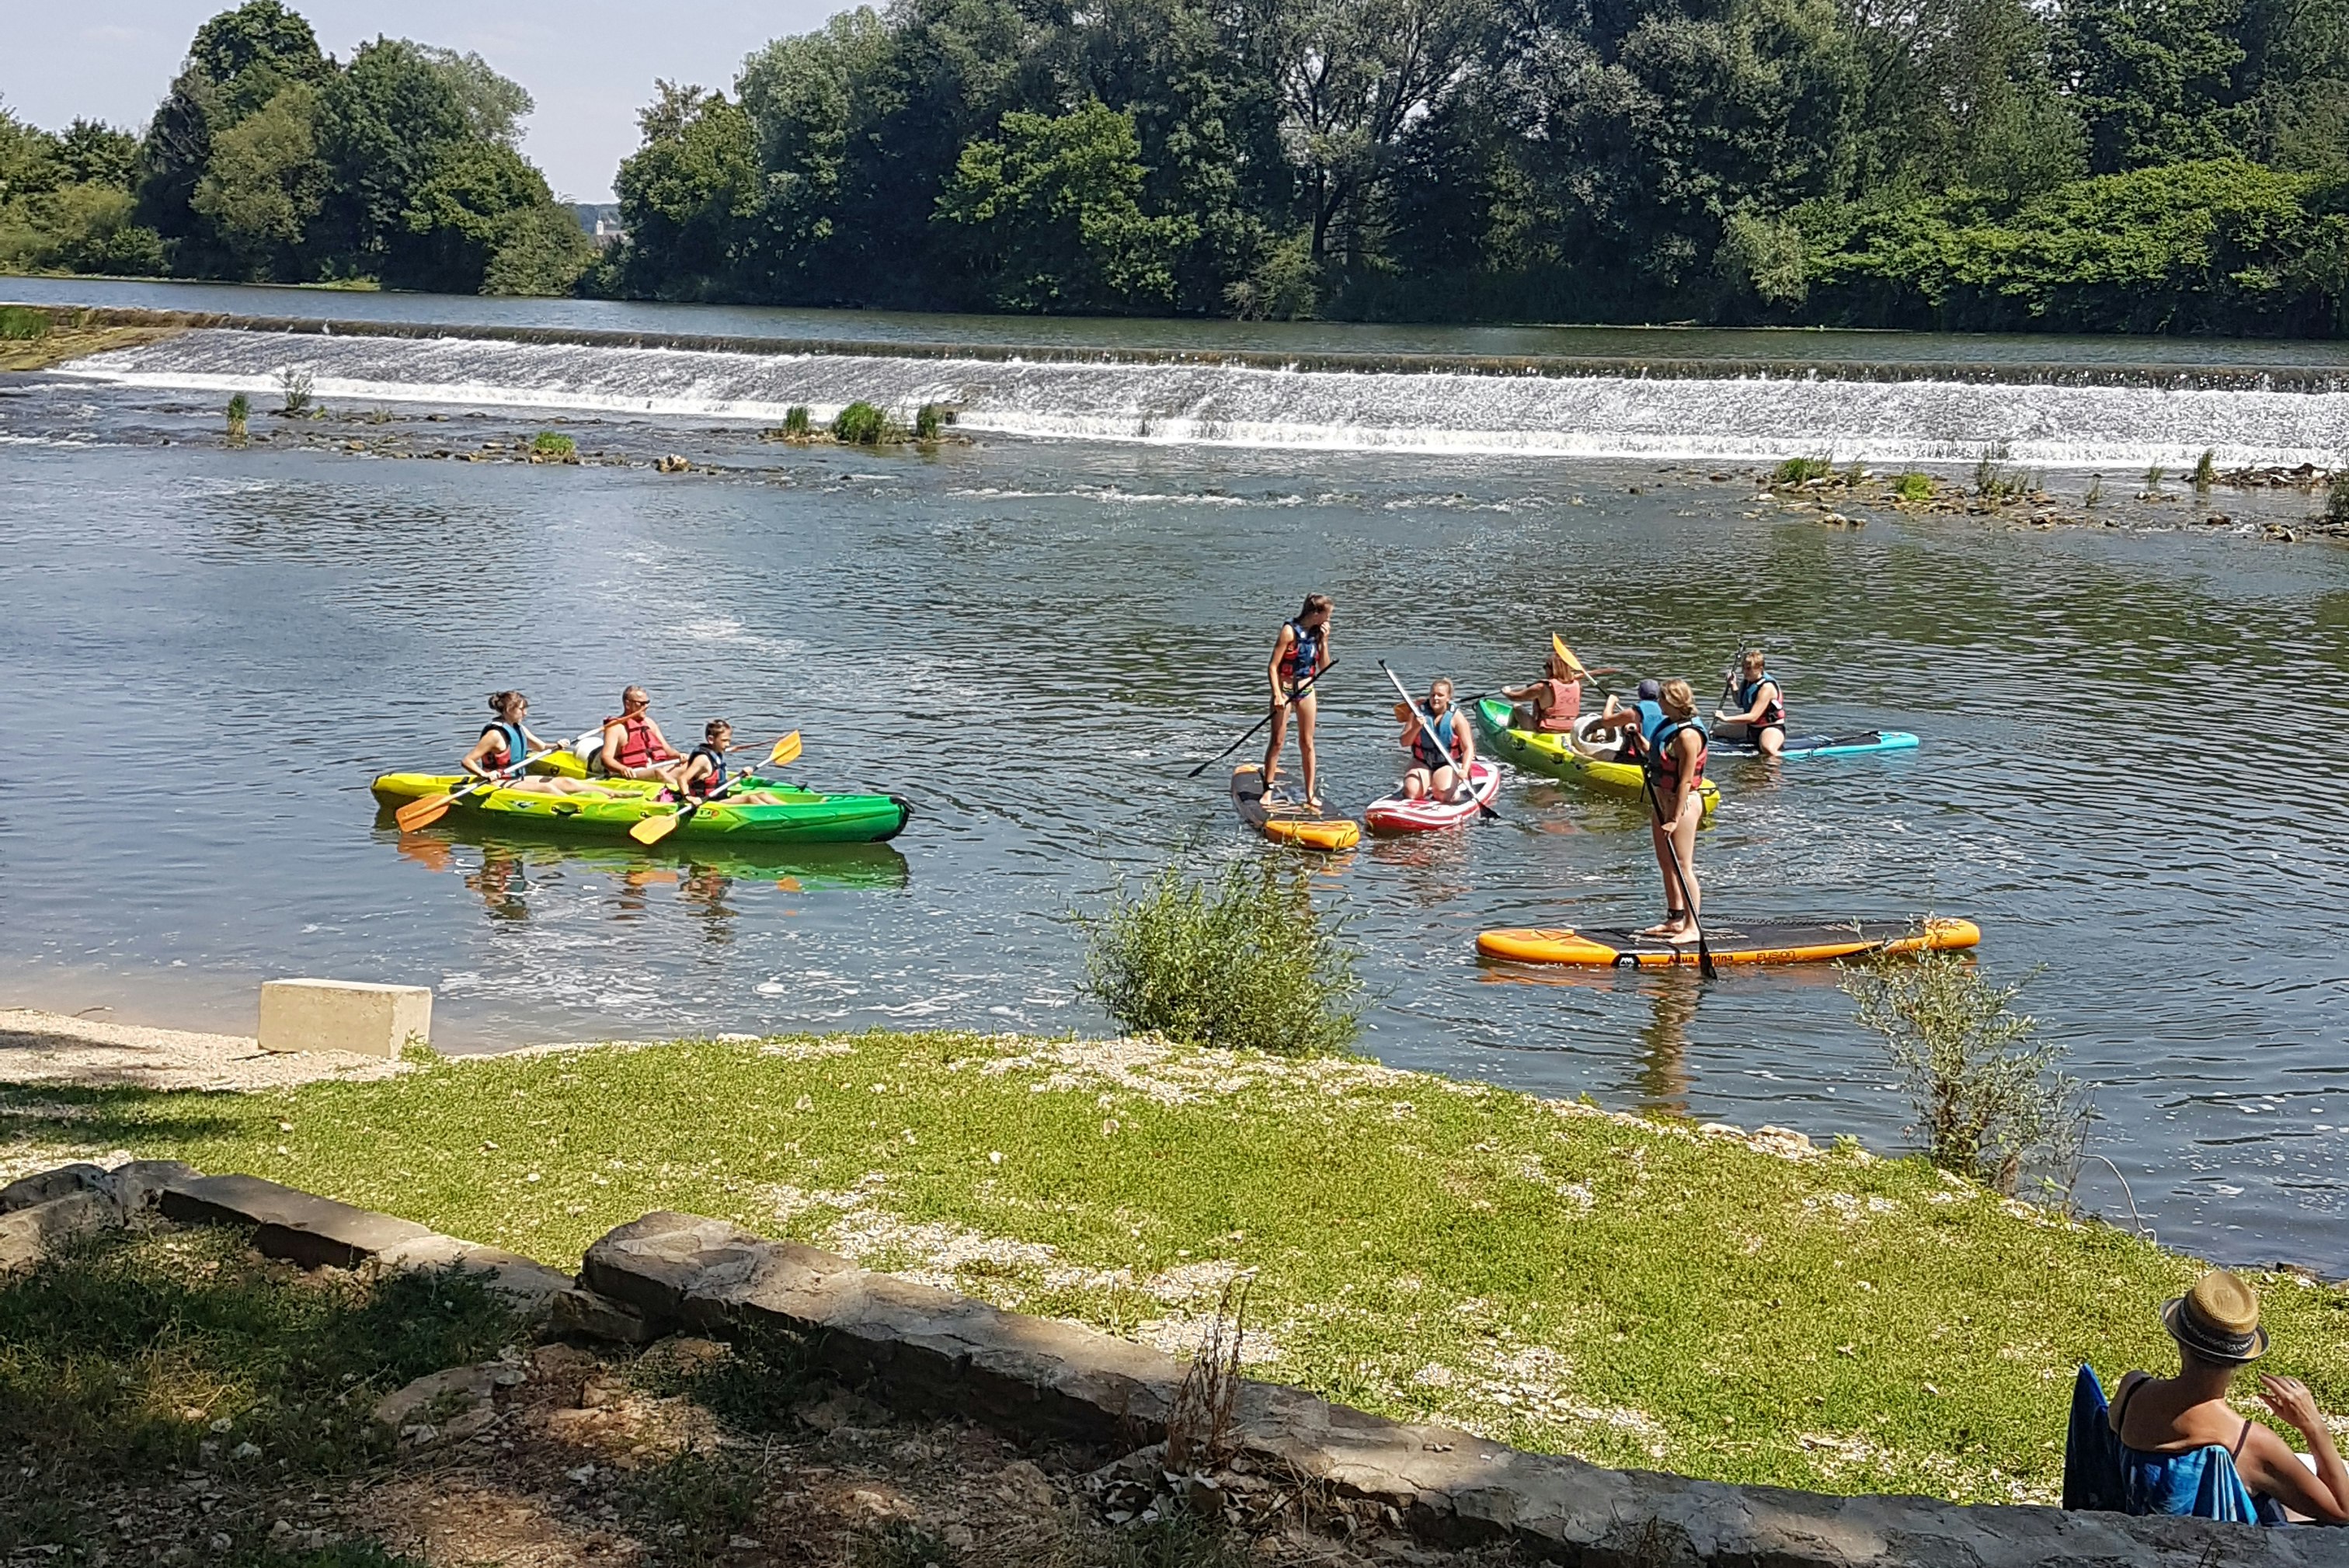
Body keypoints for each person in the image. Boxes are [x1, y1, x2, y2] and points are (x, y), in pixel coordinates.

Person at [2064, 1270, 2349, 1525]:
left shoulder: (2132, 1391)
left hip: (2143, 1534)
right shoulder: (2250, 1444)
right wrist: (2314, 1427)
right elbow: (2342, 1511)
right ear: (2241, 1359)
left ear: (2179, 1338)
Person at [1586, 679, 1707, 942]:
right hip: (1661, 801)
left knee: (1683, 866)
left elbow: (1686, 780)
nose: (1658, 704)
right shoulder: (1669, 726)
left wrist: (1674, 818)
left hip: (1682, 804)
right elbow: (1657, 753)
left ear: (1673, 702)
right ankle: (1675, 919)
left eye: (1662, 699)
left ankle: (1692, 927)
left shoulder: (1688, 735)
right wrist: (1637, 737)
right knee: (1666, 863)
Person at [459, 692, 607, 796]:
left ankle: (619, 795)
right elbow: (467, 761)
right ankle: (581, 806)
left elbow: (541, 747)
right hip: (497, 782)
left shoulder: (519, 728)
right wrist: (484, 774)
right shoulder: (495, 735)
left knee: (567, 782)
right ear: (509, 710)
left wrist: (557, 745)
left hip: (517, 779)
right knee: (547, 788)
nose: (525, 713)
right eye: (522, 709)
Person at [1262, 594, 1333, 809]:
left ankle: (1310, 793)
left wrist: (1325, 642)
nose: (1329, 619)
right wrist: (1276, 694)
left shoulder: (1318, 633)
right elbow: (1273, 666)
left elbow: (1324, 667)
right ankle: (1268, 790)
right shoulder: (1289, 631)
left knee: (1307, 743)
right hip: (1284, 688)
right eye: (1327, 614)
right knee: (1278, 741)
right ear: (1316, 614)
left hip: (1306, 688)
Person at [669, 720, 790, 805]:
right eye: (724, 740)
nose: (728, 744)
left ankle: (792, 810)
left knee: (763, 794)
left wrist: (739, 776)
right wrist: (689, 797)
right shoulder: (703, 759)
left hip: (720, 797)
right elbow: (682, 779)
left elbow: (720, 783)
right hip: (707, 802)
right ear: (711, 739)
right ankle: (780, 818)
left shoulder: (717, 754)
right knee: (751, 799)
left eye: (729, 740)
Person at [1397, 677, 1477, 802]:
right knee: (1411, 793)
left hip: (1447, 763)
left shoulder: (1457, 718)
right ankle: (1425, 782)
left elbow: (1468, 748)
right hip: (1422, 761)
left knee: (1442, 795)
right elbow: (1404, 742)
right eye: (1433, 695)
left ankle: (1454, 792)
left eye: (1440, 695)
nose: (1435, 698)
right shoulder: (1417, 714)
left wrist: (1464, 770)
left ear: (1448, 698)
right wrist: (1416, 727)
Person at [598, 686, 684, 784]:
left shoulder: (649, 723)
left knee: (692, 763)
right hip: (635, 771)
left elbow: (668, 752)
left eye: (647, 703)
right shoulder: (615, 728)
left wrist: (680, 755)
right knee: (659, 772)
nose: (645, 707)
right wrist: (622, 769)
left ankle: (699, 789)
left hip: (656, 767)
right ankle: (683, 793)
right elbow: (606, 757)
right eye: (641, 704)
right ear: (628, 704)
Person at [1716, 648, 1787, 756]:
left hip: (1770, 728)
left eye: (1749, 669)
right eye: (1743, 668)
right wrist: (1733, 684)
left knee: (1767, 748)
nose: (1745, 672)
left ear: (1760, 668)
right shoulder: (1748, 682)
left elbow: (1753, 717)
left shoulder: (1767, 687)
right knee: (1715, 733)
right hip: (1750, 728)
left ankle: (1778, 762)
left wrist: (1725, 718)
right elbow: (1740, 702)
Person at [1502, 649, 1583, 733]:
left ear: (1552, 669)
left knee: (1517, 707)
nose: (1544, 670)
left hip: (1546, 730)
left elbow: (1515, 697)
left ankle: (1507, 731)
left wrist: (1507, 692)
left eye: (1545, 667)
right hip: (1569, 730)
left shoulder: (1541, 687)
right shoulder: (1577, 686)